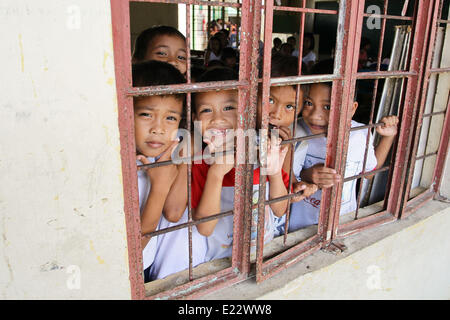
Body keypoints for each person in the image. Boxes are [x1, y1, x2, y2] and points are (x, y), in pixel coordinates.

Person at [191, 67, 291, 261]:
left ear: (247, 110)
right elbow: (205, 228)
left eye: (229, 108)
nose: (218, 118)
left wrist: (274, 172)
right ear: (195, 120)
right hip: (221, 261)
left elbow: (280, 209)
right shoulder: (200, 162)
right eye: (206, 110)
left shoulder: (264, 148)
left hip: (266, 253)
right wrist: (217, 173)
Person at [289, 60, 399, 231]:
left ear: (352, 109)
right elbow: (280, 175)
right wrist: (307, 175)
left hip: (342, 221)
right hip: (298, 225)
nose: (315, 115)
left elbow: (369, 173)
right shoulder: (296, 130)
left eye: (328, 107)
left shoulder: (360, 134)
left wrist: (387, 137)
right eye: (309, 103)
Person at [132, 60, 207, 282]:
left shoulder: (166, 156)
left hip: (148, 263)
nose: (159, 128)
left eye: (170, 118)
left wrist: (185, 154)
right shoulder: (119, 167)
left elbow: (173, 212)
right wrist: (160, 186)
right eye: (146, 114)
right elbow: (135, 247)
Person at [257, 54, 318, 236]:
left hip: (272, 227)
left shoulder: (296, 140)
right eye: (270, 100)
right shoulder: (237, 135)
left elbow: (288, 184)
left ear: (299, 110)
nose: (276, 114)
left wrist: (301, 187)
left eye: (289, 107)